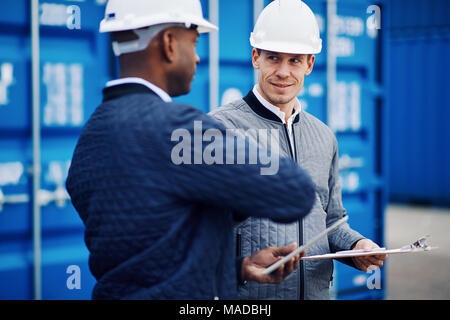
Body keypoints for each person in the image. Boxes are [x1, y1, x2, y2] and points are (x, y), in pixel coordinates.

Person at [66, 0, 316, 300]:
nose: (197, 57)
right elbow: (294, 192)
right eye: (194, 41)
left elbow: (148, 254)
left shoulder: (93, 135)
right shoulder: (178, 129)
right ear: (170, 43)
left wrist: (238, 267)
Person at [209, 0, 387, 300]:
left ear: (310, 64)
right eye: (273, 58)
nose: (282, 72)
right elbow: (196, 233)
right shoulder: (219, 129)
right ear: (256, 58)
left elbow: (332, 221)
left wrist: (355, 247)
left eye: (294, 60)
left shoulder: (324, 136)